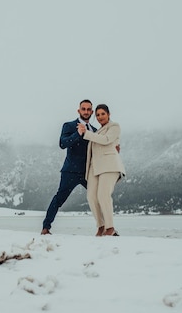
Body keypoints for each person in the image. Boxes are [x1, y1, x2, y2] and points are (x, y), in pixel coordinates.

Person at [41, 100, 97, 235]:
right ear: (79, 111)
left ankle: (106, 228)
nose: (86, 111)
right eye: (83, 109)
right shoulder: (69, 126)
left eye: (88, 109)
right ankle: (45, 228)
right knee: (59, 199)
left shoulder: (95, 131)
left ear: (92, 112)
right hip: (70, 171)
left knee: (99, 197)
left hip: (87, 173)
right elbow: (62, 144)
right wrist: (78, 134)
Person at [78, 103, 126, 236]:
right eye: (97, 115)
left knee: (103, 195)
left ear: (109, 114)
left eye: (103, 114)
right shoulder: (97, 131)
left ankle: (110, 228)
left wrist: (86, 133)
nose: (100, 117)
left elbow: (106, 140)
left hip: (109, 165)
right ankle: (101, 226)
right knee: (91, 196)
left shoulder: (114, 126)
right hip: (95, 167)